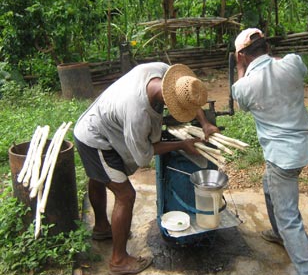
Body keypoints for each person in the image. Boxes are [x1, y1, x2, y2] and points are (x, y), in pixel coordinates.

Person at [73, 62, 218, 275]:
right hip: (95, 139)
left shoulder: (164, 73)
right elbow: (143, 156)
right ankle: (118, 260)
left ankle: (102, 229)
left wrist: (204, 122)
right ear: (168, 98)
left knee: (98, 178)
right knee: (125, 195)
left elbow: (186, 93)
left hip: (97, 122)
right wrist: (181, 144)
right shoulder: (137, 112)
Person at [232, 28, 308, 275]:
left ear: (241, 56)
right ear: (267, 48)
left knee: (290, 221)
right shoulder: (292, 63)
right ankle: (277, 231)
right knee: (268, 185)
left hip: (282, 158)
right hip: (303, 147)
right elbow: (296, 69)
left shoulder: (244, 87)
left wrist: (242, 69)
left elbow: (241, 105)